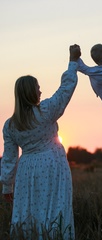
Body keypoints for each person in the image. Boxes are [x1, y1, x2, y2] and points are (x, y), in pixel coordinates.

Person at [0, 44, 81, 239]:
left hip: (26, 171)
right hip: (53, 166)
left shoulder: (10, 125)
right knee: (56, 208)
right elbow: (65, 90)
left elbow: (9, 159)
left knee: (28, 212)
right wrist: (72, 62)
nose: (41, 91)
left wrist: (7, 186)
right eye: (38, 88)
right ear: (31, 93)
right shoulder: (46, 111)